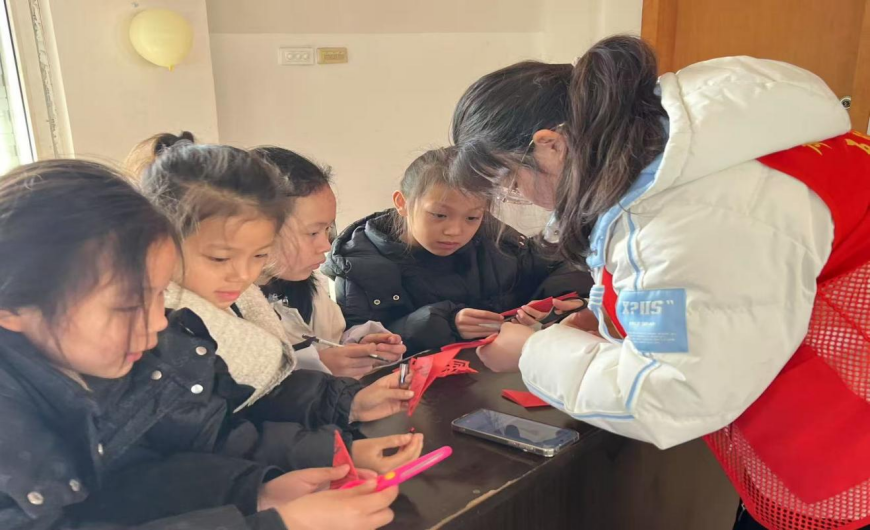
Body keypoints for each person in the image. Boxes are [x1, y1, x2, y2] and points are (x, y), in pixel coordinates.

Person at [451, 35, 869, 530]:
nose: (526, 200)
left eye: (511, 183)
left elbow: (675, 395)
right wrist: (610, 319)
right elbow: (699, 290)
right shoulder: (695, 141)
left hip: (841, 447)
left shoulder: (696, 209)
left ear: (551, 145)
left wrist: (532, 352)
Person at [0, 159, 399, 530]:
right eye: (126, 307)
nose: (158, 322)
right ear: (13, 307)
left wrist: (254, 492)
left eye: (159, 294)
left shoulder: (98, 363)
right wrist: (275, 524)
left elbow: (135, 480)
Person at [140, 139, 423, 473]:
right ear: (161, 244)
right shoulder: (159, 330)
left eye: (259, 255)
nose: (243, 275)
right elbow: (212, 439)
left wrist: (350, 401)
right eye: (219, 258)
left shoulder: (237, 298)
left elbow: (266, 390)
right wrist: (332, 453)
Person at [323, 146, 591, 353]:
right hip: (418, 395)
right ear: (402, 203)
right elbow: (364, 347)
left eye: (472, 217)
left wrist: (559, 301)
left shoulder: (491, 239)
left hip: (497, 376)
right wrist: (444, 323)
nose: (455, 231)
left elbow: (556, 262)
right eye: (439, 215)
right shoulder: (359, 267)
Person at [252, 146, 406, 378]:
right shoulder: (229, 308)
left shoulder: (310, 291)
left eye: (328, 229)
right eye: (313, 233)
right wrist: (318, 367)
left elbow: (330, 341)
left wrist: (360, 346)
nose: (326, 245)